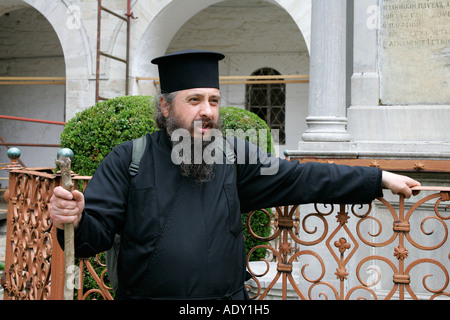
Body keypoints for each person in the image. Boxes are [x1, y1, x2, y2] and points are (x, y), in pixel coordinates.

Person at [49, 49, 421, 300]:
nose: (207, 111)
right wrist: (75, 218)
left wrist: (378, 179)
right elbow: (89, 239)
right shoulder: (129, 158)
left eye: (213, 100)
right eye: (194, 100)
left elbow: (302, 177)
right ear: (165, 107)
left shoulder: (235, 153)